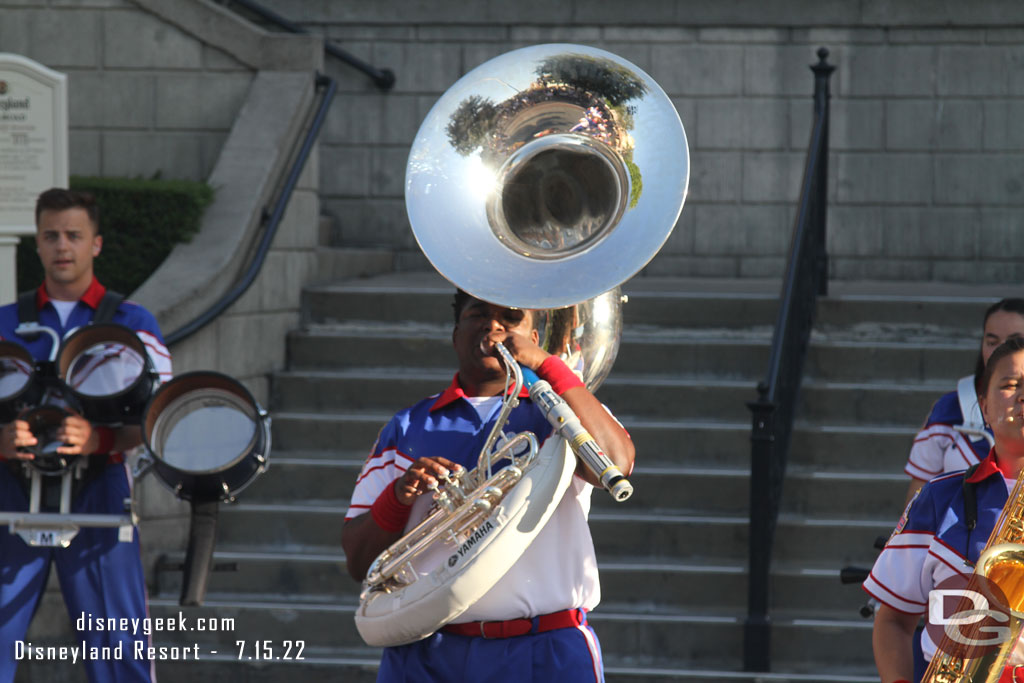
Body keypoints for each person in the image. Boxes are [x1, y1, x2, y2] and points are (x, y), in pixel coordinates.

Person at [341, 289, 635, 683]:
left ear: (534, 337)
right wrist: (398, 499)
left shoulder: (566, 412)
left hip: (544, 648)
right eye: (478, 313)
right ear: (455, 335)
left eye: (511, 317)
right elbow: (359, 562)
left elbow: (616, 464)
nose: (493, 325)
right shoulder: (407, 427)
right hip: (426, 650)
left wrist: (548, 367)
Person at [0, 189, 172, 682]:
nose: (62, 246)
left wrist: (98, 438)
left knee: (117, 646)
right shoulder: (6, 322)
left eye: (74, 236)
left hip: (99, 491)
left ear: (96, 244)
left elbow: (160, 417)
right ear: (37, 242)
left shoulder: (133, 323)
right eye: (51, 235)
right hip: (10, 490)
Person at [865, 336, 1024, 682]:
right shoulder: (939, 498)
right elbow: (892, 621)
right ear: (983, 406)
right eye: (1010, 385)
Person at [903, 299, 1024, 505]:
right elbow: (916, 504)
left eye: (1014, 341)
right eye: (992, 342)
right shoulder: (949, 409)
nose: (1001, 352)